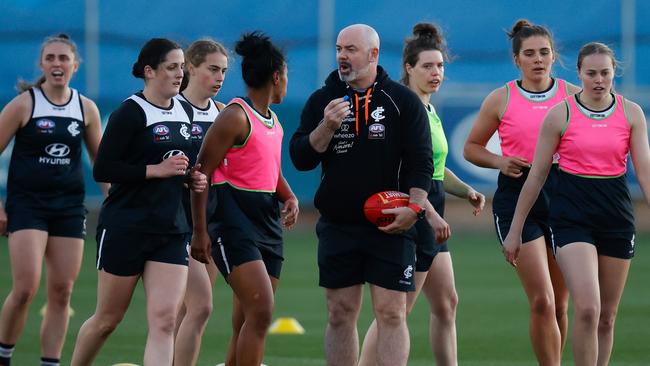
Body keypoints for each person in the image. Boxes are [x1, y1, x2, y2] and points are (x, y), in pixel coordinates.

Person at [290, 24, 433, 366]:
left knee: (392, 312)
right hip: (338, 224)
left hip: (392, 224)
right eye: (339, 48)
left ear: (373, 54)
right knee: (340, 312)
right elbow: (300, 158)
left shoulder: (402, 101)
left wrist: (414, 208)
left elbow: (421, 162)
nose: (342, 55)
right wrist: (325, 127)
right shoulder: (322, 100)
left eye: (351, 49)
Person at [503, 42, 650, 366]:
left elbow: (645, 174)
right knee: (587, 308)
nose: (599, 80)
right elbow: (537, 175)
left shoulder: (631, 113)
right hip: (572, 219)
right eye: (591, 73)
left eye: (605, 73)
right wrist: (514, 230)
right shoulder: (561, 114)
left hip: (616, 218)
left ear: (615, 73)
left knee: (607, 317)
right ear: (579, 74)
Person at [70, 38, 207, 366]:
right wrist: (155, 170)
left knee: (164, 321)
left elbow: (181, 164)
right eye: (172, 67)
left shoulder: (185, 111)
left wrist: (191, 178)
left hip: (172, 230)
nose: (179, 75)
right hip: (126, 227)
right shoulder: (131, 111)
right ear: (149, 71)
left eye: (181, 68)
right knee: (107, 320)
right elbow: (104, 167)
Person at [358, 22, 485, 366]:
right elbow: (407, 173)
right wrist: (429, 212)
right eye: (427, 66)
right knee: (398, 310)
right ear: (409, 69)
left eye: (440, 66)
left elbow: (435, 168)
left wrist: (467, 190)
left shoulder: (428, 109)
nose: (436, 72)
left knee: (446, 303)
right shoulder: (405, 109)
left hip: (433, 208)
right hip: (413, 212)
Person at [464, 20, 579, 366]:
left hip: (563, 198)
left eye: (544, 52)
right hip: (518, 198)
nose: (538, 59)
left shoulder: (573, 95)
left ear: (554, 56)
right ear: (517, 60)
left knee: (560, 304)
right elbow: (471, 147)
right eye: (529, 53)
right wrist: (500, 160)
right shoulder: (501, 98)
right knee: (542, 301)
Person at [190, 31, 299, 366]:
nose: (286, 84)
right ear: (276, 76)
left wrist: (290, 196)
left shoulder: (274, 121)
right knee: (262, 311)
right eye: (286, 77)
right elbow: (201, 173)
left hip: (267, 223)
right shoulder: (235, 116)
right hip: (233, 222)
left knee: (246, 320)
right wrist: (200, 231)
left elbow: (271, 172)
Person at [0, 34, 102, 366]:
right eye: (51, 58)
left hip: (69, 208)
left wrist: (115, 204)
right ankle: (4, 354)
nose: (57, 64)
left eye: (64, 58)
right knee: (26, 288)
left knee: (62, 292)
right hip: (27, 205)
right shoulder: (25, 104)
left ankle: (50, 362)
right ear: (42, 65)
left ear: (75, 65)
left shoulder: (85, 108)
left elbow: (101, 165)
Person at [173, 38, 228, 366]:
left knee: (188, 309)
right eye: (212, 69)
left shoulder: (223, 113)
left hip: (208, 224)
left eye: (223, 71)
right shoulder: (170, 109)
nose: (219, 77)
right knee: (200, 306)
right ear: (190, 68)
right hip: (175, 222)